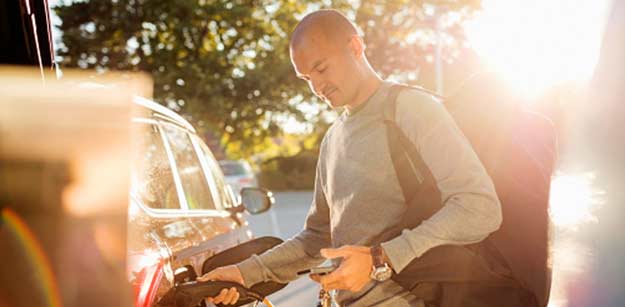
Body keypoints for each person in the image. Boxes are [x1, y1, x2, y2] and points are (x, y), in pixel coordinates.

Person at [198, 9, 502, 307]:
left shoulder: (410, 108)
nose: (316, 87)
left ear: (355, 47)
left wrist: (379, 259)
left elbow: (479, 206)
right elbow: (317, 238)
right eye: (306, 78)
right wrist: (242, 274)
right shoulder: (332, 139)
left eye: (321, 68)